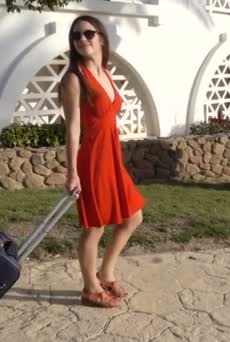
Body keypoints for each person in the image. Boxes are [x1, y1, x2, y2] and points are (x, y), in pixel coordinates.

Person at [59, 15, 145, 308]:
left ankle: (106, 273)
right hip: (93, 159)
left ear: (101, 38)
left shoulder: (106, 73)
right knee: (94, 226)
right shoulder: (74, 78)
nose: (82, 39)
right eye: (76, 36)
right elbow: (72, 128)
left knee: (133, 217)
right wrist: (72, 172)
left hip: (112, 157)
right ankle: (89, 288)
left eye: (88, 33)